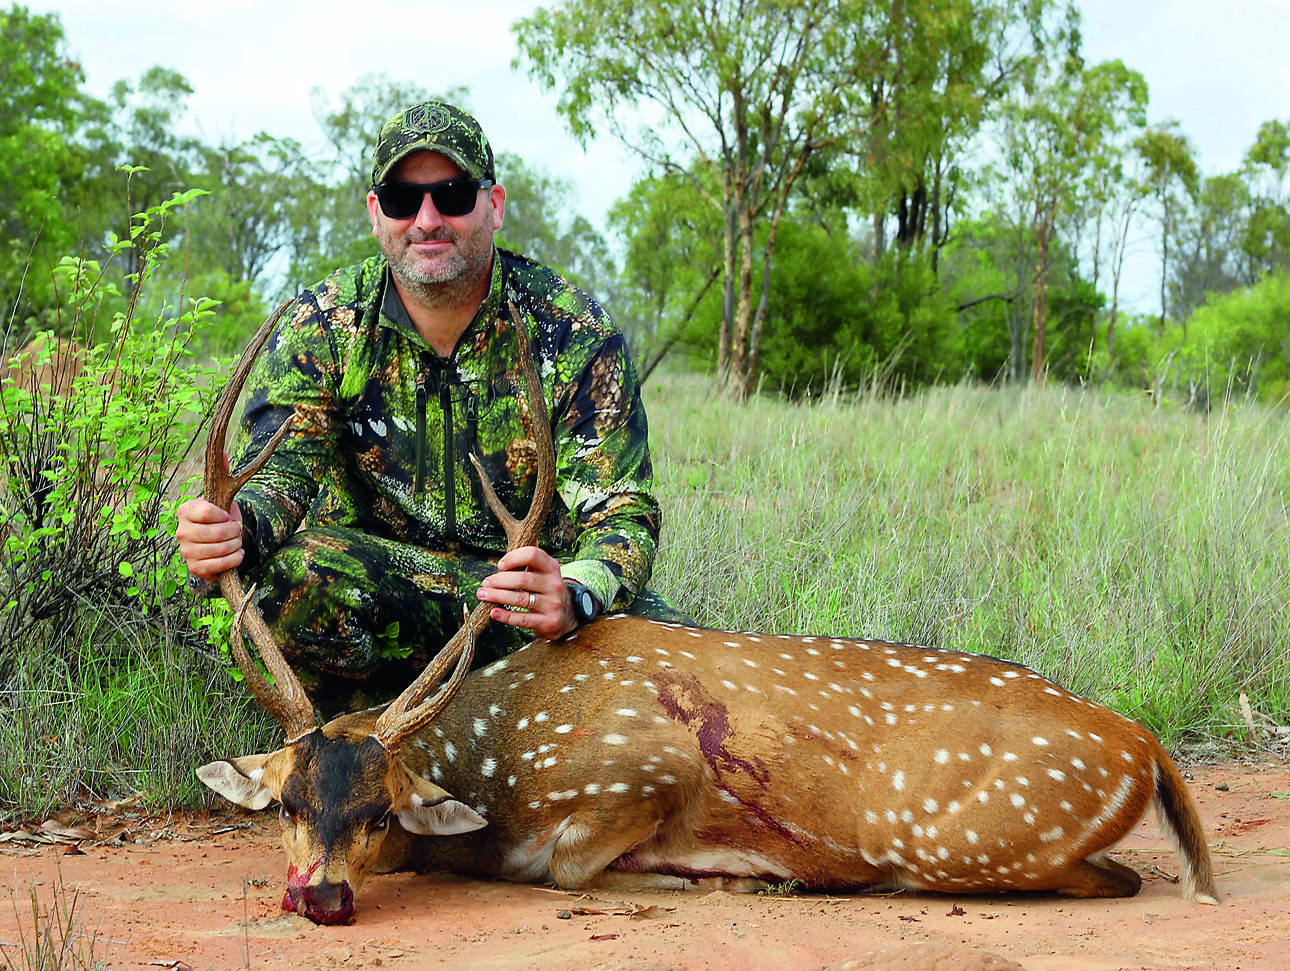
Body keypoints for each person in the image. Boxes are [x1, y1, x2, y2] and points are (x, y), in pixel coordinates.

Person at [176, 101, 688, 716]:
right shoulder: (323, 322)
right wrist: (233, 531)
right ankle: (378, 745)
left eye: (451, 195)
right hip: (382, 589)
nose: (426, 220)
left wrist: (577, 593)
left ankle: (492, 721)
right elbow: (278, 477)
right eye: (401, 198)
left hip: (525, 610)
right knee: (294, 581)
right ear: (376, 214)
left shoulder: (571, 328)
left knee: (700, 674)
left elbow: (622, 513)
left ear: (492, 205)